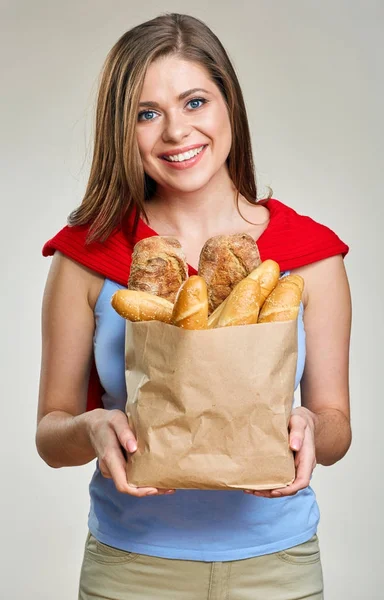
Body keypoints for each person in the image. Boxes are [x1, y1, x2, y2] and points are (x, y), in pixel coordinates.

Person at [37, 13, 352, 600]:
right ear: (122, 129)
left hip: (277, 564)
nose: (176, 131)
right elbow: (51, 434)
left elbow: (335, 427)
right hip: (131, 568)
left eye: (195, 102)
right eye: (146, 113)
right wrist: (92, 427)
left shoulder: (309, 257)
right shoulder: (89, 256)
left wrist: (313, 426)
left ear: (228, 104)